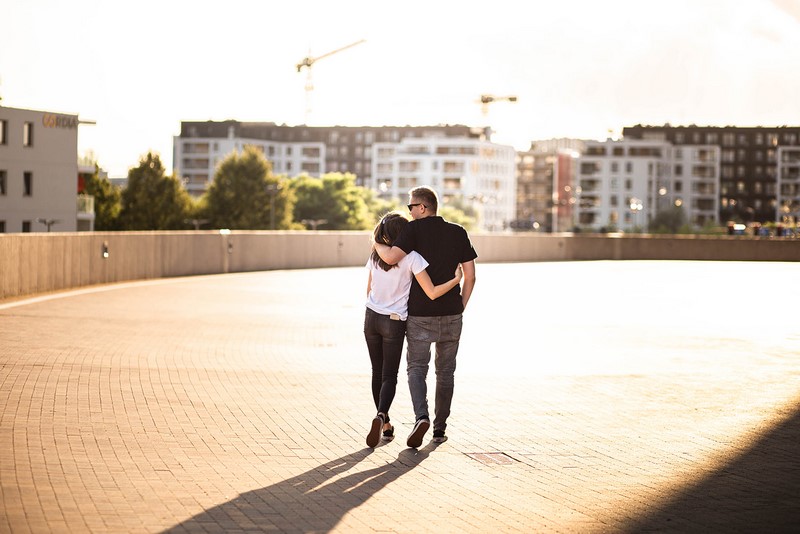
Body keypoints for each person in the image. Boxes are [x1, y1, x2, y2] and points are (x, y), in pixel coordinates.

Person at [374, 186, 477, 447]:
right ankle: (440, 429)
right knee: (446, 372)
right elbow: (471, 276)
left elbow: (390, 258)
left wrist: (375, 241)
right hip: (452, 313)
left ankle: (421, 416)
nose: (409, 211)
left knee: (417, 369)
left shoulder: (412, 230)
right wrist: (460, 306)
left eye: (411, 207)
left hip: (420, 315)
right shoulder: (458, 232)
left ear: (422, 207)